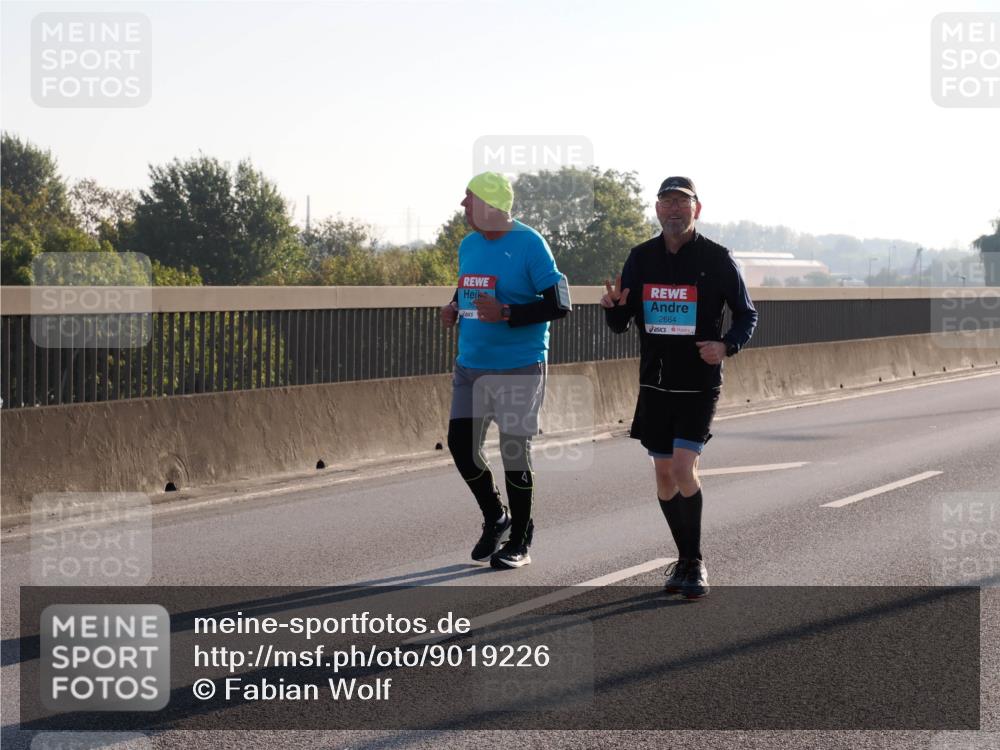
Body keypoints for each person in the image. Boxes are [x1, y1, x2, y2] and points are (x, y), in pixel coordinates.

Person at [602, 176, 757, 598]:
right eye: (667, 202)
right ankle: (685, 559)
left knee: (683, 468)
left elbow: (747, 314)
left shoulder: (717, 258)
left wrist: (726, 345)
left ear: (696, 209)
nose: (673, 209)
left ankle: (694, 562)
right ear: (657, 209)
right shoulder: (641, 258)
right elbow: (621, 323)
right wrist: (613, 308)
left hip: (698, 383)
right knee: (663, 476)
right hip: (655, 383)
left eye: (681, 202)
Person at [440, 171, 571, 569]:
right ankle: (496, 515)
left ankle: (520, 542)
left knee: (514, 451)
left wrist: (508, 312)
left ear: (490, 204)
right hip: (471, 365)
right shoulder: (469, 244)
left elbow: (559, 304)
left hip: (519, 364)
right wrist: (453, 306)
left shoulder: (530, 244)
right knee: (462, 447)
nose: (463, 205)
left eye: (469, 198)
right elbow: (470, 286)